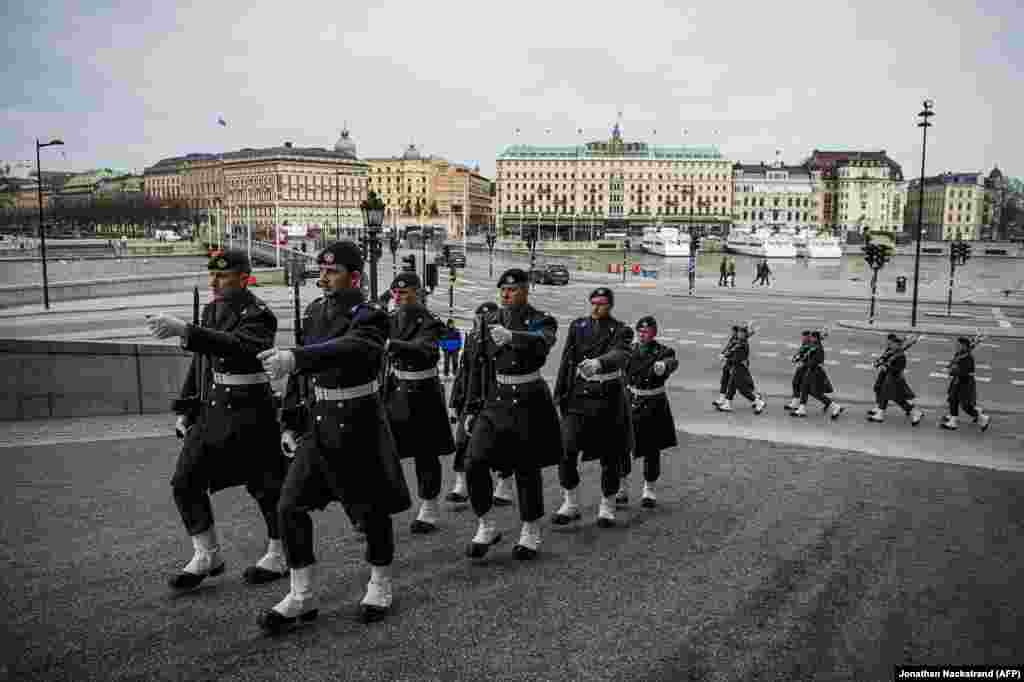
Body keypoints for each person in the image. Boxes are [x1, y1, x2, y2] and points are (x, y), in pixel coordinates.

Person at [256, 241, 411, 633]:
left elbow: (356, 347)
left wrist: (297, 357)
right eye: (321, 270)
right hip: (319, 421)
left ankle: (379, 582)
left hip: (359, 421)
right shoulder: (314, 311)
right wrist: (290, 421)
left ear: (354, 276)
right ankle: (301, 593)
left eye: (332, 271)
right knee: (289, 505)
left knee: (370, 509)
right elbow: (301, 377)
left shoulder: (371, 315)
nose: (322, 277)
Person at [147, 248, 288, 592]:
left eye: (222, 276)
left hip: (251, 412)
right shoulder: (212, 309)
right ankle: (206, 553)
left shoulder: (260, 315)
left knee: (266, 488)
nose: (213, 282)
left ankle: (278, 552)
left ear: (244, 278)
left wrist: (186, 329)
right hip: (212, 409)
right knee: (184, 480)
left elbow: (238, 347)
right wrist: (187, 408)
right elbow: (202, 364)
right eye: (211, 274)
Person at [462, 268, 562, 561]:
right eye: (503, 290)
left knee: (526, 468)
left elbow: (544, 342)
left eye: (513, 289)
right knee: (473, 461)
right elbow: (478, 366)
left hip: (529, 397)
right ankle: (487, 525)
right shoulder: (488, 321)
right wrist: (471, 406)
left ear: (526, 290)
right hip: (495, 399)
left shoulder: (541, 319)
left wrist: (512, 337)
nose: (506, 294)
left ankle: (530, 529)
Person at [552, 287, 634, 527]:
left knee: (610, 456)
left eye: (602, 303)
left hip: (608, 398)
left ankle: (607, 505)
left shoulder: (621, 330)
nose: (596, 307)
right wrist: (560, 395)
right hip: (578, 397)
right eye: (593, 302)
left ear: (610, 305)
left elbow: (622, 354)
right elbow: (568, 360)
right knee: (566, 450)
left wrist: (600, 363)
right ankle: (571, 503)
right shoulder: (578, 327)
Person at [383, 272, 455, 534]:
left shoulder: (429, 321)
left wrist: (392, 345)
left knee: (426, 453)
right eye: (396, 293)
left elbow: (425, 348)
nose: (399, 297)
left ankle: (429, 505)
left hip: (424, 391)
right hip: (396, 390)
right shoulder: (390, 318)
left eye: (405, 292)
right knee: (385, 450)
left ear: (418, 292)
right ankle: (383, 505)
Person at [447, 302, 514, 506]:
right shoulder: (471, 339)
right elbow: (463, 372)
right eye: (478, 319)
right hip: (470, 398)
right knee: (461, 442)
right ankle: (461, 484)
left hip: (496, 398)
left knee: (501, 443)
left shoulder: (502, 341)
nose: (481, 324)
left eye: (486, 319)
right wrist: (454, 402)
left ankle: (504, 484)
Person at [622, 316, 678, 508]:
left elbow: (672, 362)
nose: (642, 335)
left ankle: (649, 489)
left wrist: (664, 366)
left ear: (654, 333)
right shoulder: (630, 350)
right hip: (631, 401)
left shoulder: (662, 351)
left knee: (651, 449)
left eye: (646, 332)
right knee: (622, 447)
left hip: (653, 403)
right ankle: (622, 487)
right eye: (640, 331)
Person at [868, 334, 924, 425]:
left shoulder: (901, 356)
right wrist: (878, 363)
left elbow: (897, 369)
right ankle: (880, 413)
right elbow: (884, 358)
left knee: (897, 398)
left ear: (897, 345)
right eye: (889, 343)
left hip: (895, 380)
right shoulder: (892, 352)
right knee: (886, 394)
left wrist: (885, 367)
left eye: (891, 344)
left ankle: (914, 411)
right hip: (889, 379)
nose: (889, 345)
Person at [941, 336, 992, 431]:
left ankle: (982, 418)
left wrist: (950, 372)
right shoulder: (961, 353)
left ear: (963, 346)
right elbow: (955, 361)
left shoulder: (968, 358)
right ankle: (953, 421)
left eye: (958, 344)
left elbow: (963, 372)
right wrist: (948, 367)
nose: (956, 346)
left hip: (965, 383)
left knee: (966, 406)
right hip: (958, 381)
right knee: (952, 399)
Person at [713, 324, 766, 414]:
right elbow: (732, 349)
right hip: (736, 368)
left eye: (741, 333)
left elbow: (735, 354)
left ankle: (758, 402)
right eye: (739, 333)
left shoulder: (742, 344)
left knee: (743, 389)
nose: (739, 334)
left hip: (740, 369)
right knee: (731, 386)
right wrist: (750, 329)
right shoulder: (741, 341)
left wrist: (725, 357)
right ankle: (727, 404)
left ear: (744, 335)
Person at [791, 330, 843, 419]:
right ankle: (802, 409)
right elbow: (806, 352)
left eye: (811, 337)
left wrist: (803, 361)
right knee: (806, 388)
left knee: (814, 392)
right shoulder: (815, 345)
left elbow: (813, 361)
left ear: (815, 338)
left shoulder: (817, 347)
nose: (810, 338)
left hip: (816, 372)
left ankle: (835, 406)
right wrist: (799, 357)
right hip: (812, 371)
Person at [785, 331, 814, 411]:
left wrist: (797, 358)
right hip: (802, 366)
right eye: (803, 337)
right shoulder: (805, 343)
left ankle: (800, 406)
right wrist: (795, 358)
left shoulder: (810, 344)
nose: (803, 338)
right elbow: (800, 352)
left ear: (808, 337)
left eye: (804, 337)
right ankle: (795, 402)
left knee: (805, 387)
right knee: (796, 383)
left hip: (806, 368)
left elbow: (803, 354)